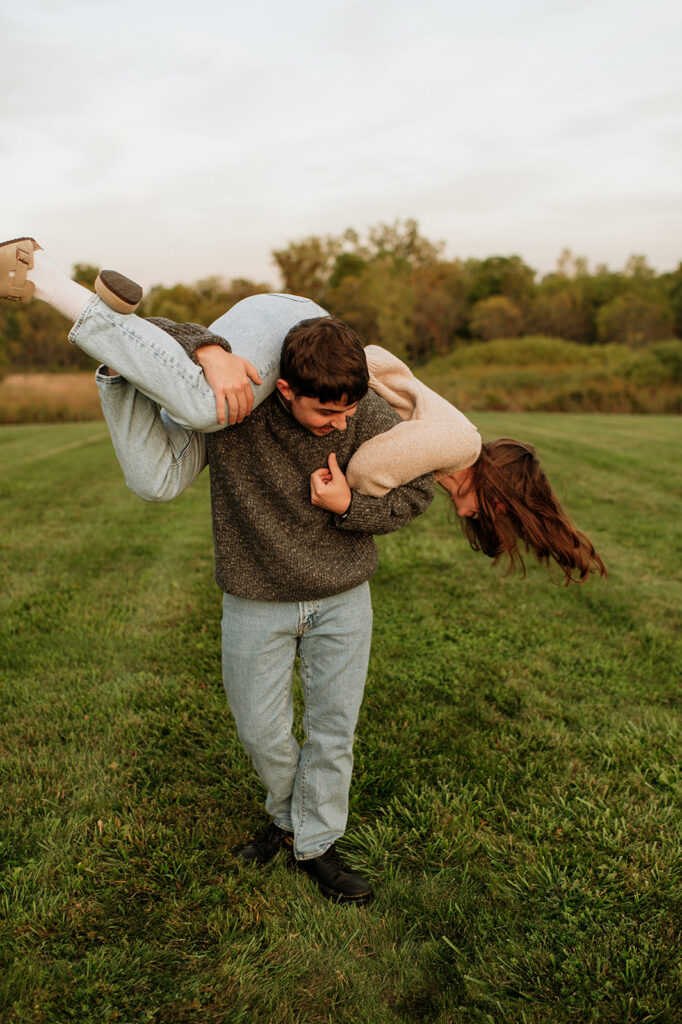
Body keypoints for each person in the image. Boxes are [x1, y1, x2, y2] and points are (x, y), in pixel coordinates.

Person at [0, 237, 606, 586]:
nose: (474, 520)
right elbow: (368, 468)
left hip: (308, 355)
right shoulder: (461, 446)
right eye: (492, 520)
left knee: (157, 480)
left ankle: (120, 363)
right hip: (298, 324)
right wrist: (372, 500)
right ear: (499, 500)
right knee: (208, 405)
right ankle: (48, 278)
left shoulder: (446, 450)